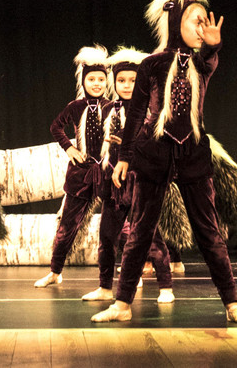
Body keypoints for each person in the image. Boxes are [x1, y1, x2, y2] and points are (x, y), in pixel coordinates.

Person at [92, 0, 237, 325]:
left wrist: (213, 45)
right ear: (176, 21)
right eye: (196, 21)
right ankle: (122, 303)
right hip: (154, 152)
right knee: (141, 231)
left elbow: (209, 59)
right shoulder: (152, 64)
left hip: (193, 152)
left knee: (209, 231)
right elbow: (137, 113)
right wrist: (124, 158)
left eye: (205, 22)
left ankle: (232, 303)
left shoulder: (201, 62)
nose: (202, 28)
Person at [81, 46, 174, 304]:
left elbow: (158, 141)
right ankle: (105, 286)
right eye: (121, 80)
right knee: (107, 236)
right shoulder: (109, 109)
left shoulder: (149, 112)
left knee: (150, 235)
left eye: (132, 80)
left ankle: (166, 286)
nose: (126, 85)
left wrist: (130, 141)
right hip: (114, 181)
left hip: (140, 179)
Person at [34, 45, 113, 289]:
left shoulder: (112, 107)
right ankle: (55, 271)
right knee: (67, 227)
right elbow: (56, 126)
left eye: (101, 79)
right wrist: (69, 148)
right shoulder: (76, 106)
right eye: (92, 79)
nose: (97, 83)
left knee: (118, 225)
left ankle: (135, 270)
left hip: (107, 172)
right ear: (83, 80)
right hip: (81, 174)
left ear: (107, 81)